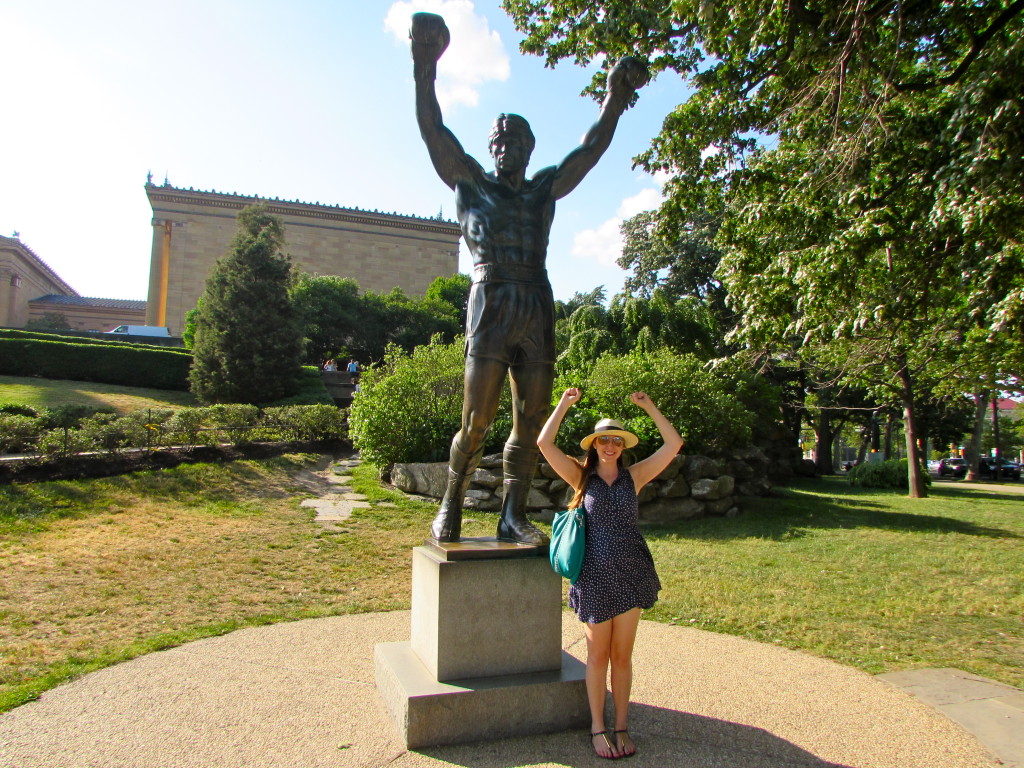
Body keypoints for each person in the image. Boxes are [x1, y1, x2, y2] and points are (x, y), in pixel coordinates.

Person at [410, 11, 649, 545]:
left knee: (532, 418)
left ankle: (511, 516)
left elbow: (590, 150)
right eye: (501, 141)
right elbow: (434, 131)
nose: (508, 148)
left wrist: (614, 95)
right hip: (491, 296)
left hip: (536, 300)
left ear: (528, 151)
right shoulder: (470, 181)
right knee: (477, 418)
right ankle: (450, 504)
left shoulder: (543, 189)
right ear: (491, 149)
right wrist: (424, 65)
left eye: (518, 142)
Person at [538, 388, 684, 759]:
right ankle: (597, 727)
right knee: (596, 656)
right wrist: (564, 405)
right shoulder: (580, 477)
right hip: (594, 577)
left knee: (622, 656)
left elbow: (673, 443)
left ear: (622, 446)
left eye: (617, 440)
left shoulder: (634, 476)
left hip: (631, 573)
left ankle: (621, 725)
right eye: (604, 439)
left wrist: (649, 406)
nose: (610, 445)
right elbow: (543, 443)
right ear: (594, 444)